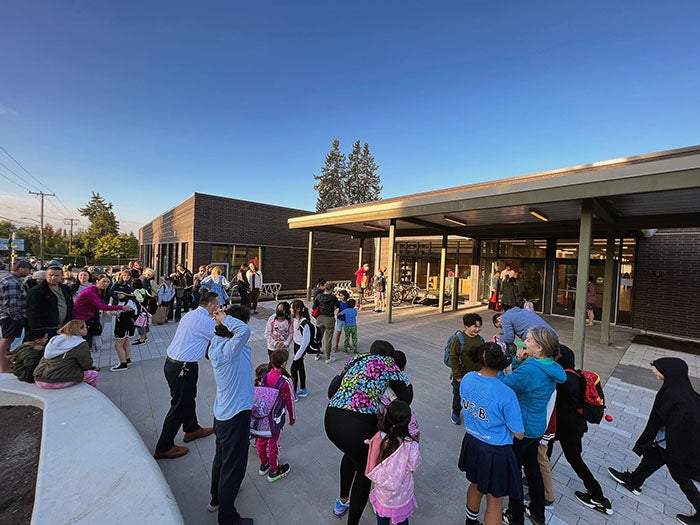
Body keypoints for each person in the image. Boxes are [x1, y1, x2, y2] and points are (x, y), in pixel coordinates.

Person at [325, 340, 413, 525]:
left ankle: (342, 501)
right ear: (389, 355)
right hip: (358, 423)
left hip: (332, 418)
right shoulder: (388, 363)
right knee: (364, 471)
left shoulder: (356, 359)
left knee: (350, 455)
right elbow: (406, 396)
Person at [608, 357, 700, 525]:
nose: (653, 371)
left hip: (674, 446)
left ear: (667, 372)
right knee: (652, 458)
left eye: (656, 369)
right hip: (664, 442)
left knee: (681, 478)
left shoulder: (675, 395)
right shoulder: (678, 388)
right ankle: (634, 481)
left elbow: (676, 422)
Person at [501, 327, 566, 525]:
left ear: (539, 348)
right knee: (532, 469)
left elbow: (506, 382)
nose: (523, 342)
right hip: (537, 427)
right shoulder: (550, 366)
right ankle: (538, 513)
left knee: (514, 473)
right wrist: (520, 359)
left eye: (528, 340)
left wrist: (498, 368)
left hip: (522, 429)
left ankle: (515, 515)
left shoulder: (532, 369)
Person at [458, 341, 524, 525]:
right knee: (495, 499)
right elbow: (519, 433)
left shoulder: (468, 378)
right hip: (496, 450)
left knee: (476, 483)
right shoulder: (506, 393)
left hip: (472, 441)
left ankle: (470, 521)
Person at [153, 291, 219, 460]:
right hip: (183, 367)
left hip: (176, 365)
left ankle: (191, 428)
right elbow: (222, 335)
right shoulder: (204, 321)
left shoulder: (191, 314)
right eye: (217, 304)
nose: (218, 307)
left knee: (188, 398)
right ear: (210, 305)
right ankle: (164, 446)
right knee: (179, 405)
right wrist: (223, 319)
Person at [551, 345, 612, 514]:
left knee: (574, 459)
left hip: (566, 427)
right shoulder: (575, 374)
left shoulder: (564, 381)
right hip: (574, 425)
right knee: (552, 448)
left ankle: (598, 496)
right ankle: (540, 475)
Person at [208, 304, 254, 524]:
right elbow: (244, 331)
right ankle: (228, 518)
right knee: (232, 468)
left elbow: (241, 333)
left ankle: (216, 498)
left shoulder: (217, 343)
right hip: (235, 416)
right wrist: (224, 318)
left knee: (221, 460)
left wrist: (222, 321)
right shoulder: (229, 349)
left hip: (222, 413)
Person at [366, 399, 421, 525]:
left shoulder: (379, 437)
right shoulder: (410, 444)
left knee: (382, 517)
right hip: (402, 494)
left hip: (382, 493)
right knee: (402, 520)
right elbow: (414, 465)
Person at [254, 349, 295, 483]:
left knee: (261, 441)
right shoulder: (285, 381)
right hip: (275, 418)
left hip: (262, 416)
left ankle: (264, 464)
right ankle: (274, 470)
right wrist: (292, 418)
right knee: (272, 444)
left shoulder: (265, 376)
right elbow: (290, 401)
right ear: (283, 364)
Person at [33, 320, 100, 389]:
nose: (87, 329)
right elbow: (86, 365)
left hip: (39, 378)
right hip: (56, 381)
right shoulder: (80, 343)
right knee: (93, 375)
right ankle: (88, 395)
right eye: (86, 327)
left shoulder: (55, 340)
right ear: (79, 330)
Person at [72, 275, 132, 346]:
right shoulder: (90, 291)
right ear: (97, 281)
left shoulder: (100, 290)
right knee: (86, 341)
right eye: (104, 281)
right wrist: (121, 307)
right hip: (80, 318)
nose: (106, 284)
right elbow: (101, 306)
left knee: (90, 338)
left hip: (88, 317)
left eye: (108, 282)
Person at [448, 313, 484, 425]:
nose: (477, 329)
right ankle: (456, 412)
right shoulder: (458, 339)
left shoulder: (480, 340)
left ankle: (472, 413)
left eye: (479, 326)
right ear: (466, 326)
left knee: (474, 396)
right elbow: (453, 358)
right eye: (475, 326)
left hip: (476, 374)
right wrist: (457, 376)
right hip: (461, 374)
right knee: (458, 395)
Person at [0, 260, 33, 372]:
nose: (29, 273)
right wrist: (18, 318)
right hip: (10, 317)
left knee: (7, 341)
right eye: (28, 270)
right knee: (6, 341)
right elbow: (11, 304)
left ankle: (7, 364)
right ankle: (3, 367)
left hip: (8, 316)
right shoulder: (12, 283)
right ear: (21, 269)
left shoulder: (8, 279)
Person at [26, 265, 74, 339]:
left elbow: (70, 306)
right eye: (50, 275)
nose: (53, 277)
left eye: (57, 275)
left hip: (63, 328)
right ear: (46, 276)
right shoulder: (37, 291)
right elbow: (32, 312)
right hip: (46, 329)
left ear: (62, 276)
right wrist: (38, 331)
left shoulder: (66, 289)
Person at [492, 307, 557, 346]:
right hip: (551, 335)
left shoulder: (505, 318)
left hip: (539, 338)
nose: (503, 328)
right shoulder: (519, 311)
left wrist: (498, 336)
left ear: (499, 319)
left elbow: (509, 339)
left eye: (500, 326)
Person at [313, 282, 340, 363]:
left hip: (320, 318)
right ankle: (328, 357)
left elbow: (314, 307)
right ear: (331, 289)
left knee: (318, 337)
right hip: (329, 318)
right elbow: (337, 307)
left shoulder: (318, 296)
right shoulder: (333, 298)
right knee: (328, 338)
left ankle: (317, 354)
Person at [289, 299, 311, 398]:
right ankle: (303, 389)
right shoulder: (295, 319)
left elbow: (305, 342)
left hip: (301, 348)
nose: (290, 309)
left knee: (293, 369)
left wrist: (297, 356)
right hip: (296, 345)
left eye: (291, 307)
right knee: (300, 367)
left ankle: (294, 393)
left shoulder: (305, 324)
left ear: (297, 309)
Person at [111, 293, 138, 371]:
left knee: (118, 345)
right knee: (125, 342)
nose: (119, 295)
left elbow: (130, 314)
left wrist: (117, 313)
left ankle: (123, 364)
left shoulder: (129, 302)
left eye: (121, 293)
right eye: (118, 293)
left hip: (125, 326)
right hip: (124, 325)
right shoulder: (122, 301)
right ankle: (127, 359)